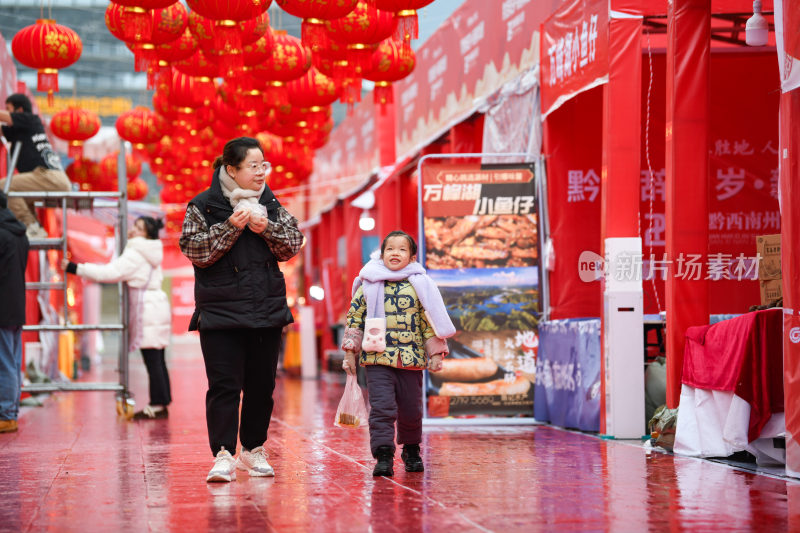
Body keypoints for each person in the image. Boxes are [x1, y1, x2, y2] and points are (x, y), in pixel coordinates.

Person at [179, 136, 303, 483]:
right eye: (253, 165)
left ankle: (253, 450)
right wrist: (232, 226)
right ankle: (222, 454)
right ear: (231, 169)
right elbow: (196, 251)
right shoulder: (203, 206)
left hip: (266, 309)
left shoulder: (271, 203)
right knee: (224, 386)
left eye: (264, 165)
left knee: (262, 386)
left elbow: (293, 244)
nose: (262, 172)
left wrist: (267, 228)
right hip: (219, 313)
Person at [341, 230, 456, 477]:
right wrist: (350, 352)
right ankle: (383, 454)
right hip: (377, 358)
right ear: (381, 254)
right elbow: (355, 319)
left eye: (402, 249)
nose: (395, 253)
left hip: (411, 359)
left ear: (412, 257)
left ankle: (411, 450)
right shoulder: (368, 283)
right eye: (390, 249)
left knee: (411, 409)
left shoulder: (420, 285)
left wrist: (436, 353)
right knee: (382, 408)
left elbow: (429, 322)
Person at [63, 216, 172, 420]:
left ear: (146, 235)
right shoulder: (151, 250)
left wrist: (76, 268)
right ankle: (162, 402)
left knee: (152, 359)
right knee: (158, 358)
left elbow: (110, 272)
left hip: (146, 306)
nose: (133, 230)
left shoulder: (136, 252)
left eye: (139, 228)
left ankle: (157, 405)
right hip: (156, 303)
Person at [0, 93, 71, 239]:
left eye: (8, 108)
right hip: (47, 177)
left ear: (19, 110)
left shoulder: (30, 119)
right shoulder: (21, 130)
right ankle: (33, 229)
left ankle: (33, 229)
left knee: (3, 187)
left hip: (48, 176)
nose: (7, 112)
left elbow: (4, 118)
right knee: (21, 199)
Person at [0, 190, 30, 433]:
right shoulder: (19, 233)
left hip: (2, 307)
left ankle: (6, 414)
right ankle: (10, 410)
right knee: (12, 361)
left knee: (5, 363)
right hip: (16, 305)